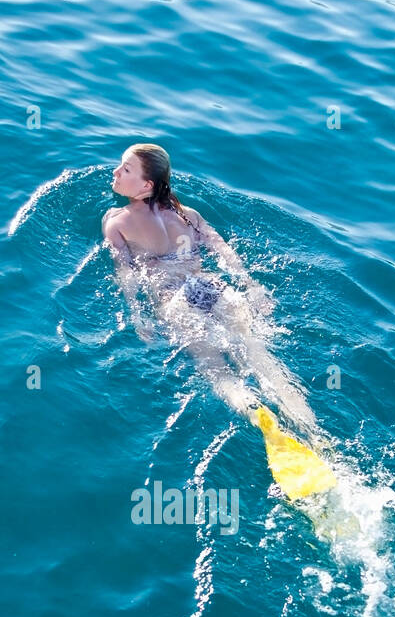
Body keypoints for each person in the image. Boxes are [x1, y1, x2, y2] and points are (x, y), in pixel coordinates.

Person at [102, 143, 319, 439]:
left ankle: (268, 428)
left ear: (146, 184)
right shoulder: (189, 214)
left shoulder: (116, 221)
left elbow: (126, 274)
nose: (116, 171)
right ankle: (314, 430)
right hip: (211, 287)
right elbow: (224, 251)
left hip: (176, 298)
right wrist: (252, 285)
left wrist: (137, 315)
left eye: (125, 169)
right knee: (258, 355)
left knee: (218, 372)